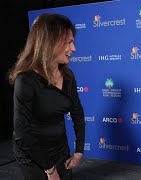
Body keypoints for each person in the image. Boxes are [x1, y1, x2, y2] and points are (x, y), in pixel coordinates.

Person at [8, 13, 85, 180]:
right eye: (69, 43)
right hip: (32, 155)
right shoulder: (26, 80)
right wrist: (50, 170)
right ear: (50, 42)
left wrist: (79, 151)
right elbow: (23, 135)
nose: (74, 49)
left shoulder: (68, 77)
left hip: (59, 149)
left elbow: (77, 113)